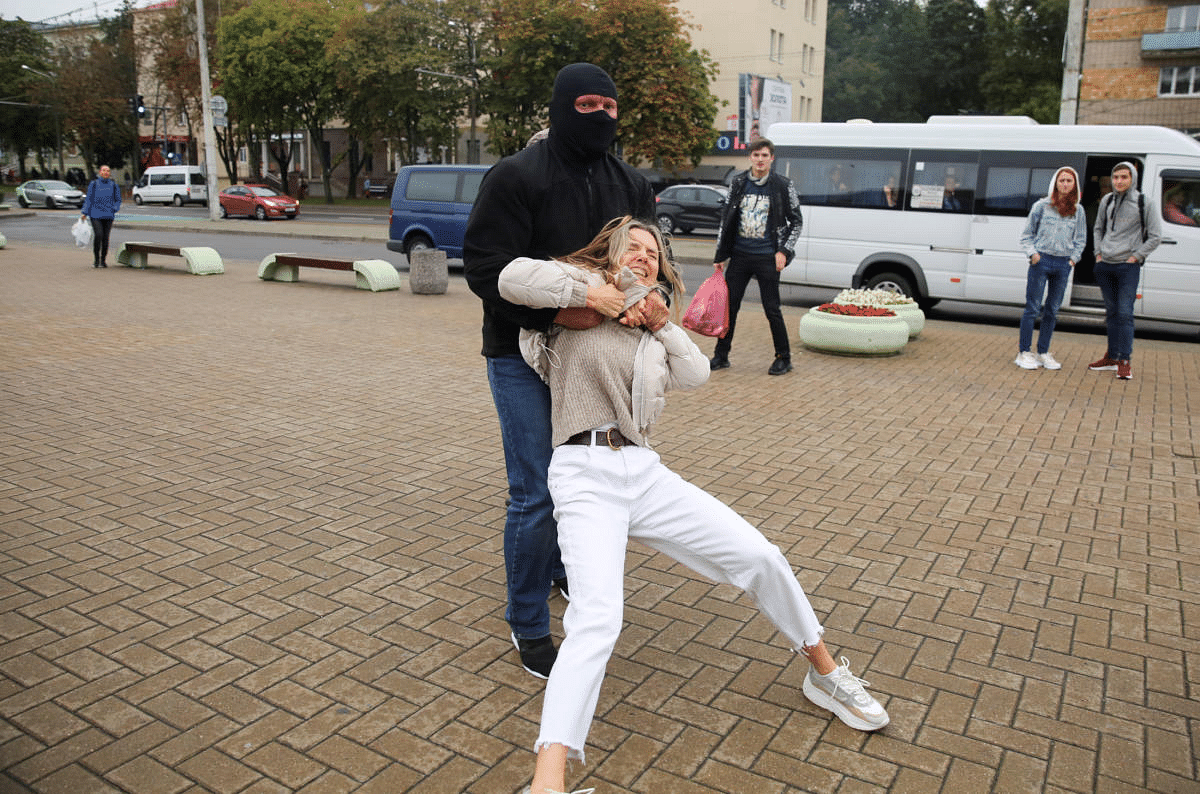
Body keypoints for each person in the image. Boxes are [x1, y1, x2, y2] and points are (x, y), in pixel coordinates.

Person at [498, 217, 890, 794]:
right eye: (630, 248)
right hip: (583, 470)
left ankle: (826, 674)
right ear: (608, 255)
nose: (642, 257)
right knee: (598, 619)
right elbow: (511, 277)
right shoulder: (572, 300)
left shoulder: (652, 329)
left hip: (644, 471)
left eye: (652, 252)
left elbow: (698, 374)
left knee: (760, 556)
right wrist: (597, 294)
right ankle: (547, 783)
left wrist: (662, 323)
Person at [462, 63, 661, 680]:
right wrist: (566, 305)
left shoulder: (631, 183)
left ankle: (561, 571)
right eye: (586, 104)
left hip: (595, 366)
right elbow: (483, 266)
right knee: (535, 493)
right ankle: (527, 622)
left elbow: (653, 262)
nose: (600, 115)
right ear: (559, 107)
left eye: (610, 104)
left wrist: (650, 304)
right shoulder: (516, 176)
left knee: (585, 481)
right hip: (518, 355)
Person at [708, 138, 802, 376]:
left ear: (772, 158)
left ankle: (784, 358)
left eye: (764, 155)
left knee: (772, 309)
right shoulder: (738, 182)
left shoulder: (782, 185)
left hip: (767, 257)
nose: (760, 160)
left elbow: (796, 221)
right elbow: (726, 219)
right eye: (756, 155)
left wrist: (784, 251)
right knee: (730, 307)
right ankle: (721, 355)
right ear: (750, 157)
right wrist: (721, 254)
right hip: (739, 256)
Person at [1088, 162, 1162, 381]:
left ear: (1133, 179)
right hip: (1105, 265)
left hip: (1127, 267)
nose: (1118, 181)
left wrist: (1135, 257)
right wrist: (1098, 253)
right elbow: (1098, 228)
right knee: (1111, 314)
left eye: (1124, 177)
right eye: (1115, 177)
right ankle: (1111, 356)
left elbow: (1156, 236)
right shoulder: (1107, 201)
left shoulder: (1144, 202)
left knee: (1124, 313)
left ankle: (1124, 361)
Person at [1014, 166, 1088, 371]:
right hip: (1042, 261)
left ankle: (1043, 352)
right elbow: (1027, 235)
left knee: (1052, 310)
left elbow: (1081, 240)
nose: (1065, 184)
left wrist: (1072, 260)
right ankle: (1024, 352)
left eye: (1069, 181)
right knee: (1032, 308)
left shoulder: (1078, 210)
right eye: (1062, 180)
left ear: (1075, 185)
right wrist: (1033, 255)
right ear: (1056, 183)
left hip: (1063, 263)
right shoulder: (1042, 206)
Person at [81, 165, 121, 268]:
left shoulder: (113, 185)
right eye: (104, 170)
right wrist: (84, 212)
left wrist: (114, 208)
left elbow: (118, 200)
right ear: (100, 172)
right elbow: (89, 199)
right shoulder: (94, 184)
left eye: (108, 171)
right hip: (95, 214)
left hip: (108, 215)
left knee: (105, 238)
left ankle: (103, 260)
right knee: (98, 235)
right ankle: (96, 259)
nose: (106, 172)